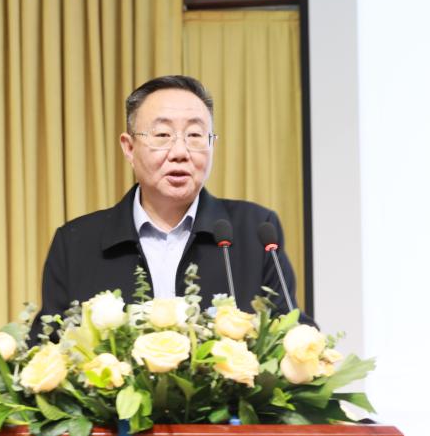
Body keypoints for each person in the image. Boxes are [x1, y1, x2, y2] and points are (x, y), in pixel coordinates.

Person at [31, 75, 302, 337]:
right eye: (162, 134)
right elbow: (48, 343)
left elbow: (290, 331)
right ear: (129, 147)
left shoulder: (254, 231)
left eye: (195, 135)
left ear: (212, 144)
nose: (180, 152)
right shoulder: (76, 243)